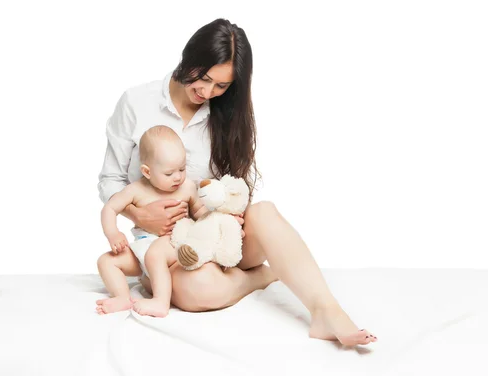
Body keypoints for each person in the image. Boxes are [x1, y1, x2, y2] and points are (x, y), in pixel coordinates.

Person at [97, 18, 377, 346]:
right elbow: (110, 179)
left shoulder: (225, 113)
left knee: (266, 212)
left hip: (219, 237)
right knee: (196, 290)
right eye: (202, 78)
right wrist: (138, 216)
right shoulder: (136, 102)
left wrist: (229, 210)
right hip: (173, 251)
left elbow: (234, 185)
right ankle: (260, 277)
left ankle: (326, 311)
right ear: (189, 58)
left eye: (221, 86)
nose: (207, 92)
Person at [96, 125, 208, 317]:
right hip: (142, 250)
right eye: (169, 173)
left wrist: (214, 220)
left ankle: (161, 303)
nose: (178, 177)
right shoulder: (136, 190)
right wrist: (113, 233)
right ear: (147, 172)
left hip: (172, 245)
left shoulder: (187, 188)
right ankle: (122, 297)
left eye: (182, 169)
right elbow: (109, 208)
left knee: (155, 255)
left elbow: (200, 211)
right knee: (106, 261)